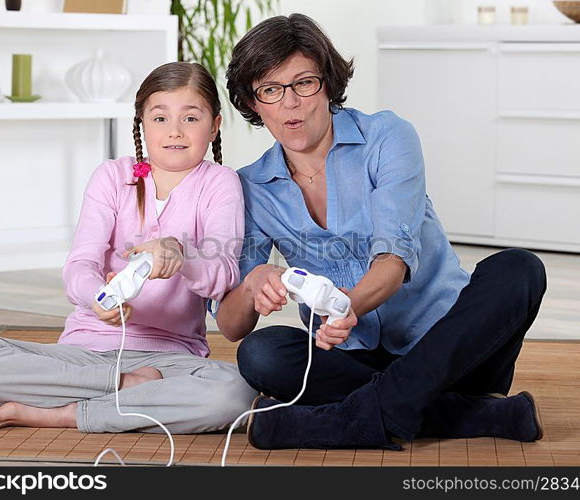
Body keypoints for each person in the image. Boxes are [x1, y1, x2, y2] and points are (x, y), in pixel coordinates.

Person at [217, 14, 547, 449]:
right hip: (350, 357)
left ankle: (345, 421)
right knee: (260, 354)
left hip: (451, 345)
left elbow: (392, 260)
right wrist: (251, 284)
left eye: (304, 83)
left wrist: (348, 305)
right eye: (271, 90)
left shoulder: (387, 136)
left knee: (519, 269)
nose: (290, 103)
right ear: (253, 102)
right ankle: (454, 410)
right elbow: (231, 326)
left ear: (329, 83)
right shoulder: (253, 186)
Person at [0, 62, 257, 435]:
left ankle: (68, 413)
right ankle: (124, 387)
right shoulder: (112, 176)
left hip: (172, 358)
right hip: (84, 354)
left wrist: (182, 255)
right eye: (159, 118)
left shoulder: (221, 183)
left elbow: (222, 276)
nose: (174, 131)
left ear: (214, 125)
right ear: (141, 122)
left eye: (190, 118)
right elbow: (80, 264)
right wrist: (98, 297)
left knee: (236, 392)